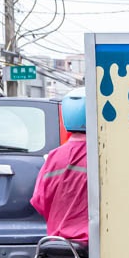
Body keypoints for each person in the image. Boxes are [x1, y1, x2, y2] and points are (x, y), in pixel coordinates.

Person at [30, 87, 89, 244]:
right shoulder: (102, 155)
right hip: (92, 244)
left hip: (57, 242)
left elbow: (39, 201)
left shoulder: (53, 157)